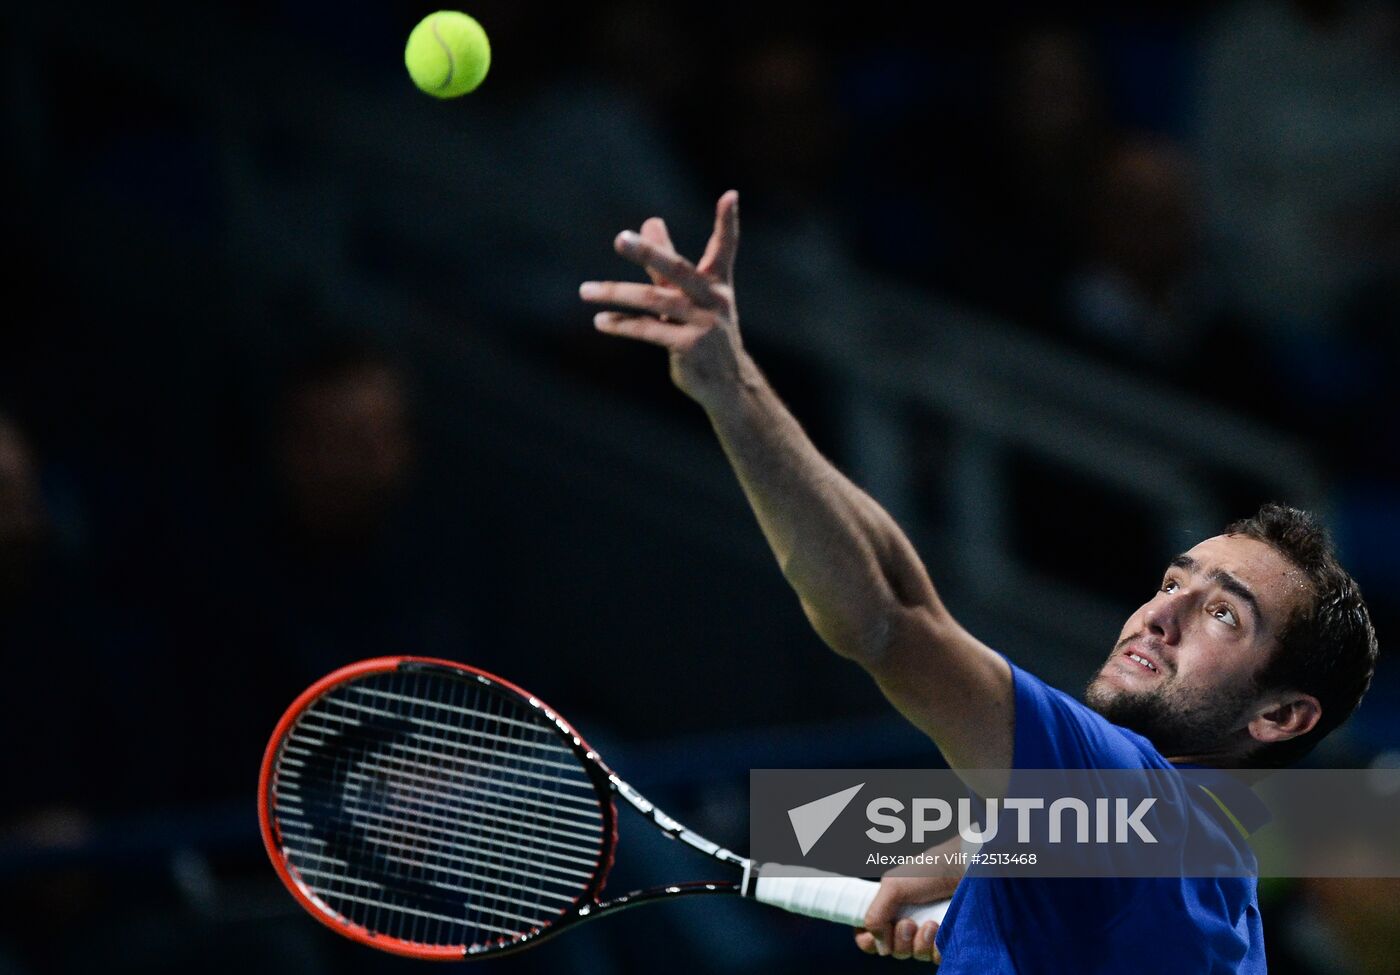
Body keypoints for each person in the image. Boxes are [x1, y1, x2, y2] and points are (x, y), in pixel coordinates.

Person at [579, 192, 1379, 972]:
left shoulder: (1140, 805)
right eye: (1174, 580)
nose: (1160, 614)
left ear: (1281, 715)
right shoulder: (1206, 879)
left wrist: (733, 387)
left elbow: (888, 616)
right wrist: (987, 860)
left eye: (1222, 616)